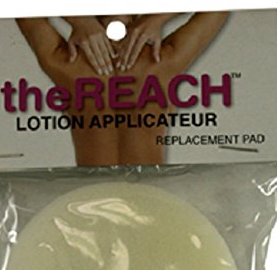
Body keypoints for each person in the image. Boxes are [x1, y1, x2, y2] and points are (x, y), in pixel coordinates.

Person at [16, 12, 228, 166]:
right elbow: (219, 5)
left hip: (91, 196)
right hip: (149, 193)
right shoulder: (162, 61)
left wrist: (79, 20)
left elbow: (21, 5)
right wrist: (157, 18)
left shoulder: (67, 63)